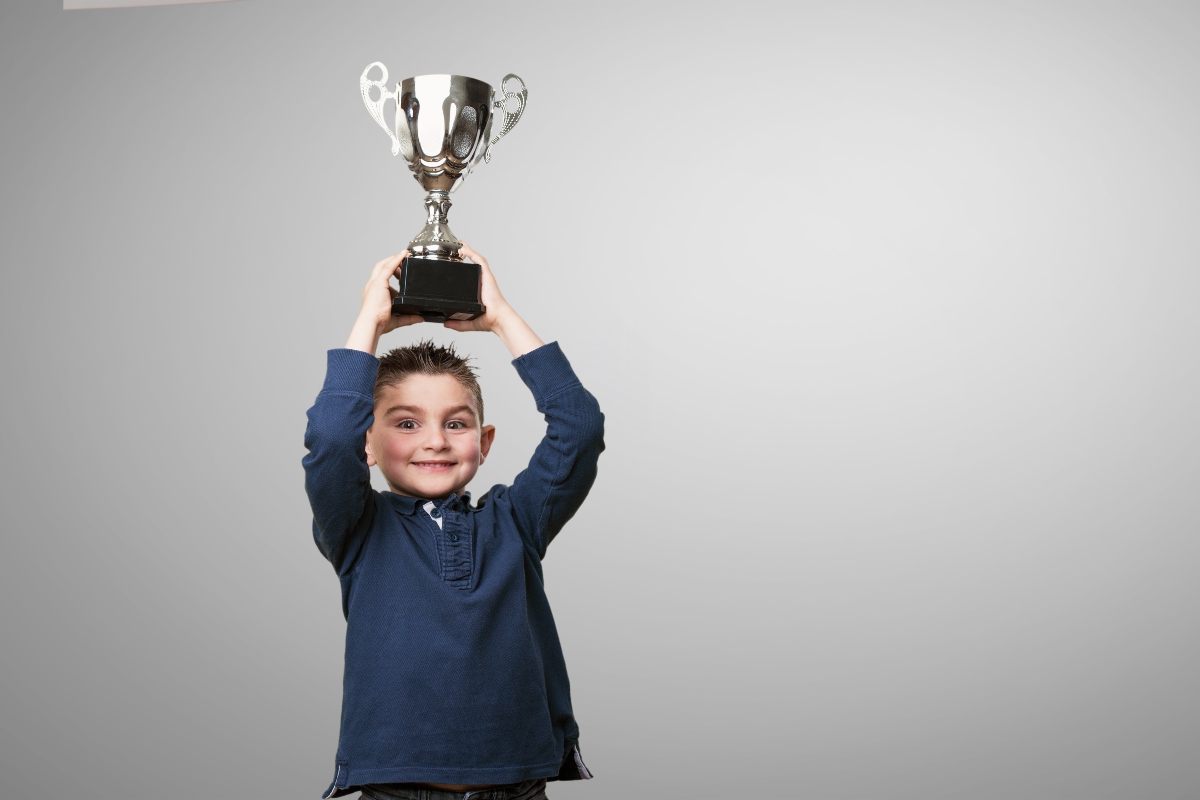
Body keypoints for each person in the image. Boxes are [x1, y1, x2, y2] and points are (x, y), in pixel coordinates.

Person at [303, 244, 604, 800]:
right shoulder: (358, 529)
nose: (436, 440)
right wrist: (369, 321)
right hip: (395, 790)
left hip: (515, 788)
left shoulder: (517, 520)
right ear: (366, 441)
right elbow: (328, 438)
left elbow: (579, 427)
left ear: (484, 443)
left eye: (456, 423)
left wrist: (500, 319)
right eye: (407, 423)